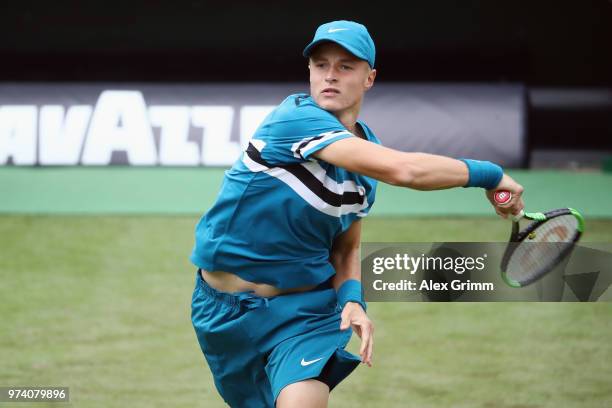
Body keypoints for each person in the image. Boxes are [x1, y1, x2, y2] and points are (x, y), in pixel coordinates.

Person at [190, 20, 524, 408]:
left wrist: (352, 300)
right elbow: (405, 170)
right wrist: (490, 174)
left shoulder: (365, 169)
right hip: (221, 313)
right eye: (320, 64)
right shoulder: (294, 119)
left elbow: (345, 250)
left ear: (370, 78)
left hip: (304, 315)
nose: (330, 75)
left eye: (346, 66)